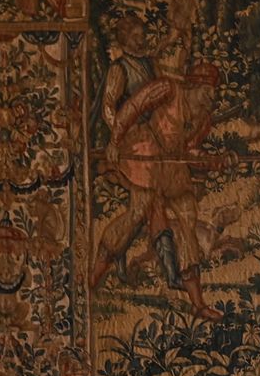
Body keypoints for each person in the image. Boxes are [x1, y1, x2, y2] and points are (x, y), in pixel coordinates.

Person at [94, 51, 223, 320]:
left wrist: (213, 160)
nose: (211, 98)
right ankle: (92, 278)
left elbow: (190, 151)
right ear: (195, 85)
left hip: (172, 168)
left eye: (213, 92)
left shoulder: (203, 116)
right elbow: (132, 107)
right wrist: (115, 141)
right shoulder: (167, 88)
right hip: (146, 154)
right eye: (208, 91)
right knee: (137, 213)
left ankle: (198, 304)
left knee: (188, 219)